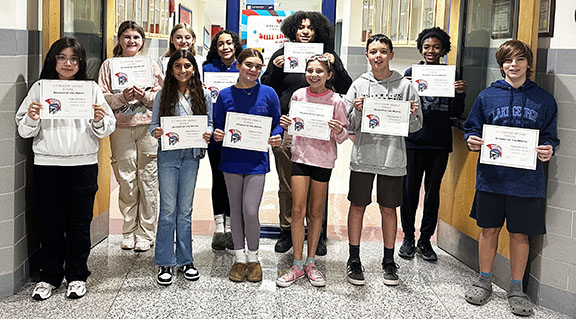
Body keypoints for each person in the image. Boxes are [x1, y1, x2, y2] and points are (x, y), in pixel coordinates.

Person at [463, 40, 558, 316]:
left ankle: (516, 287)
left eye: (519, 60)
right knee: (488, 229)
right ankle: (484, 280)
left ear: (528, 64)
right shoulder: (486, 96)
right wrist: (472, 140)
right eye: (507, 60)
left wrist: (549, 148)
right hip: (492, 178)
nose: (513, 65)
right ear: (501, 64)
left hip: (527, 182)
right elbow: (472, 129)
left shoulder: (544, 99)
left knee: (520, 234)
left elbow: (551, 136)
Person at [16, 37, 116, 300]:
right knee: (49, 223)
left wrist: (99, 119)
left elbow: (108, 127)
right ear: (53, 60)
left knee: (79, 224)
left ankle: (77, 275)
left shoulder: (91, 89)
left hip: (83, 164)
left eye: (74, 59)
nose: (68, 63)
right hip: (48, 164)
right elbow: (24, 130)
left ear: (81, 63)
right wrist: (33, 117)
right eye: (62, 57)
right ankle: (49, 277)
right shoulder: (40, 88)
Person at [261, 11, 352, 255]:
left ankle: (316, 234)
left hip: (320, 133)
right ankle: (287, 231)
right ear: (292, 29)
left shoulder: (327, 58)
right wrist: (274, 67)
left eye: (310, 28)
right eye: (300, 27)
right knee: (287, 184)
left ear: (317, 31)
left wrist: (334, 62)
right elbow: (266, 89)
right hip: (289, 128)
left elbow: (345, 86)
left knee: (317, 187)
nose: (304, 31)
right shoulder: (282, 54)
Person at [344, 34, 422, 287]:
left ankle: (388, 260)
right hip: (364, 155)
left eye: (383, 51)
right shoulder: (358, 84)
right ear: (367, 55)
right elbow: (348, 125)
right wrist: (355, 110)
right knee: (357, 206)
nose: (378, 56)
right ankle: (354, 259)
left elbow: (416, 125)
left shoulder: (406, 86)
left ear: (391, 55)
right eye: (373, 51)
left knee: (389, 209)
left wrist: (410, 114)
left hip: (393, 157)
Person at [276, 55, 349, 288]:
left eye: (319, 71)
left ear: (329, 75)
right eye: (310, 70)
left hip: (323, 159)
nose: (314, 75)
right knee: (297, 210)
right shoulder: (298, 96)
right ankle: (297, 264)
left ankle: (311, 262)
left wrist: (338, 130)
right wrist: (285, 123)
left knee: (316, 211)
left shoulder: (336, 101)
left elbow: (343, 136)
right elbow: (293, 124)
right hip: (300, 156)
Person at [213, 49, 283, 282]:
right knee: (235, 211)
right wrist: (218, 134)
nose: (253, 70)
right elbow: (218, 126)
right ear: (238, 65)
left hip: (256, 162)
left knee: (250, 210)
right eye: (249, 65)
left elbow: (277, 124)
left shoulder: (268, 93)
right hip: (231, 161)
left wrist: (277, 135)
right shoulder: (224, 95)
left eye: (258, 66)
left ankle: (254, 257)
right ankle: (239, 258)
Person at [399, 27, 467, 261]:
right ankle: (408, 237)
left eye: (436, 47)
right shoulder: (411, 72)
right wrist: (403, 88)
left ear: (443, 50)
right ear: (421, 48)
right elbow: (401, 110)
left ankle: (425, 239)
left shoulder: (451, 74)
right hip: (413, 140)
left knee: (432, 192)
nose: (431, 51)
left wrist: (460, 93)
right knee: (408, 192)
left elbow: (456, 111)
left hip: (439, 142)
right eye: (427, 47)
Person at [98, 20, 163, 252]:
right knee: (126, 179)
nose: (131, 41)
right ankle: (128, 231)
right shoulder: (109, 65)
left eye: (136, 37)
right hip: (121, 128)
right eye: (127, 37)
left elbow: (161, 97)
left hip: (147, 127)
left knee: (147, 178)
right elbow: (102, 97)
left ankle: (145, 232)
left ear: (142, 41)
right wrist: (122, 98)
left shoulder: (151, 65)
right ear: (119, 40)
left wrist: (144, 96)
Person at [150, 49, 212, 286]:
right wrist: (155, 132)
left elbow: (209, 123)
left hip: (191, 157)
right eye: (178, 66)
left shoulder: (203, 95)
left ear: (194, 69)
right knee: (167, 210)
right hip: (168, 156)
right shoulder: (162, 96)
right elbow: (154, 125)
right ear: (171, 69)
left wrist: (206, 133)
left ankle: (186, 260)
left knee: (185, 211)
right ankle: (165, 260)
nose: (183, 70)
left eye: (187, 66)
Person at [202, 30, 243, 251]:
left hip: (239, 133)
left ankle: (231, 225)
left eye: (229, 42)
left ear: (235, 44)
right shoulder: (207, 69)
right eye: (220, 44)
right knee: (218, 178)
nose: (225, 47)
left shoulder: (243, 67)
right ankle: (219, 227)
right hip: (216, 133)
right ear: (215, 47)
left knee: (234, 180)